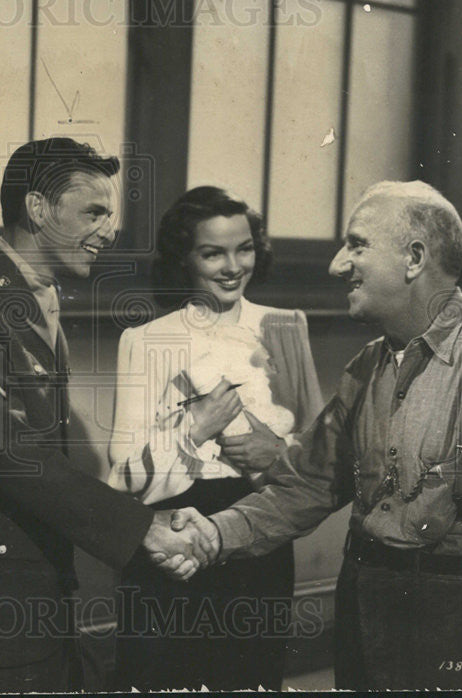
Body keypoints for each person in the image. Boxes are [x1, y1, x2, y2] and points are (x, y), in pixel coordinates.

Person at [158, 182, 462, 690]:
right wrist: (215, 533)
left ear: (414, 258)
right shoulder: (366, 367)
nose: (337, 265)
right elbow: (306, 484)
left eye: (356, 245)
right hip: (365, 613)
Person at [0, 137, 215, 693]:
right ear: (37, 209)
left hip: (40, 591)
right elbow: (11, 453)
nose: (109, 230)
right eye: (93, 211)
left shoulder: (33, 298)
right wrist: (143, 529)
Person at [106, 186, 323, 690]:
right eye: (212, 252)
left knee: (249, 676)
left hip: (259, 530)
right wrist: (196, 428)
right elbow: (122, 479)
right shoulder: (146, 339)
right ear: (185, 257)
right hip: (172, 538)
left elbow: (321, 461)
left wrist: (279, 453)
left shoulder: (287, 327)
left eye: (243, 248)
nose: (232, 266)